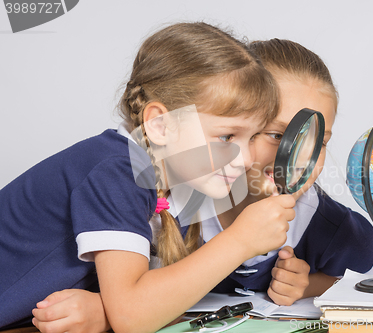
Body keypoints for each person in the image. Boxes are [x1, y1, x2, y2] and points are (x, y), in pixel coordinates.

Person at [0, 23, 297, 333]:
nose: (247, 158)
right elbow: (133, 317)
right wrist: (239, 240)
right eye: (227, 137)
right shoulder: (116, 171)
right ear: (159, 125)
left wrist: (104, 310)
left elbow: (164, 296)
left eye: (252, 138)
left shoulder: (176, 183)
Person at [204, 38, 373, 305]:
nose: (299, 159)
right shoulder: (175, 207)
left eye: (318, 142)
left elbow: (363, 281)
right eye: (276, 135)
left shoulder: (333, 229)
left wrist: (309, 285)